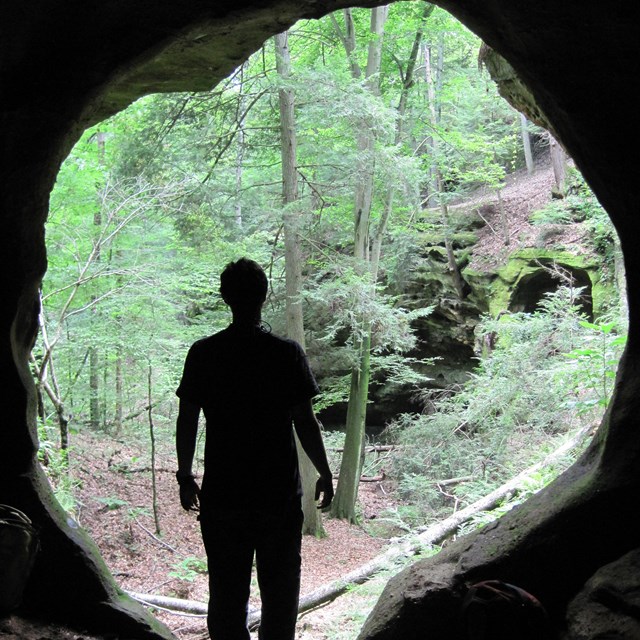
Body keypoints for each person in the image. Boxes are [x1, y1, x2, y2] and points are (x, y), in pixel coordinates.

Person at [175, 257, 334, 640]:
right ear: (265, 295)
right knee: (280, 600)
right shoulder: (285, 354)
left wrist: (185, 474)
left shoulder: (204, 353)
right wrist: (325, 471)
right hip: (276, 497)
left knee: (226, 598)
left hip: (224, 497)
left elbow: (187, 419)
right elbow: (305, 421)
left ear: (224, 297)